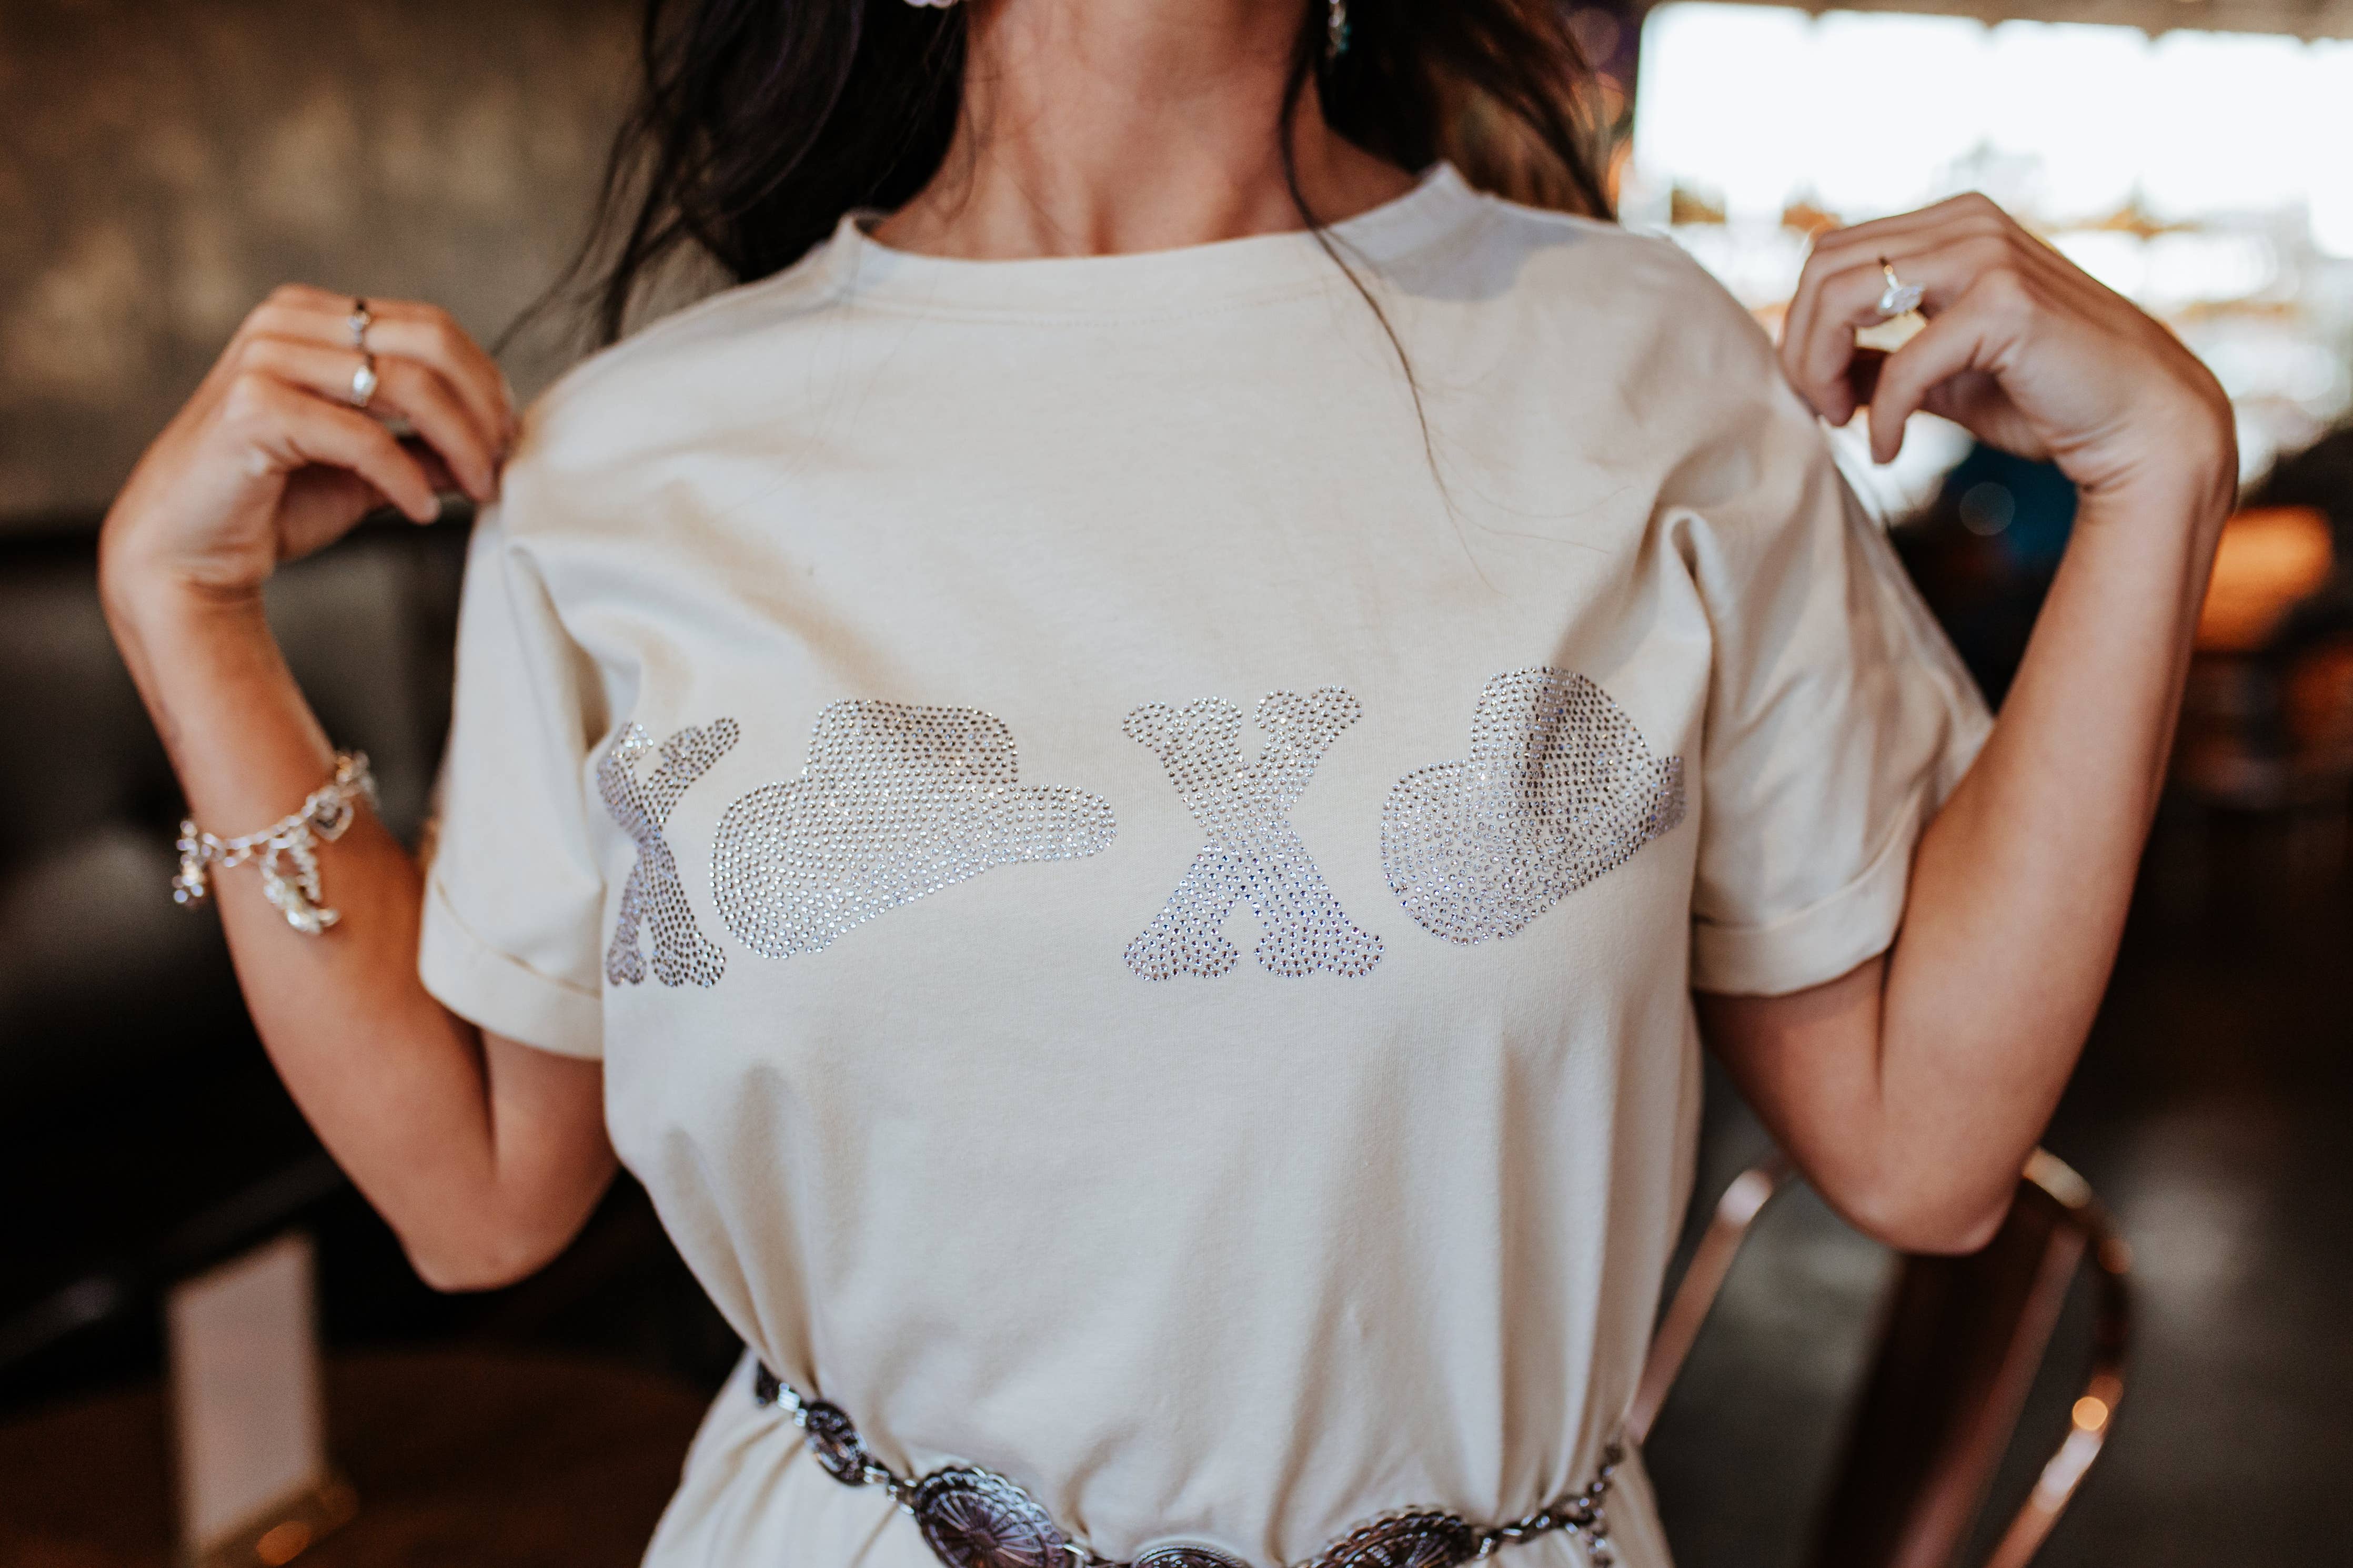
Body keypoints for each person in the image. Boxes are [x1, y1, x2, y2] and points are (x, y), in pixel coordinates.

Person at [95, 2, 2235, 1565]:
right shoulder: (639, 455)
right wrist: (187, 616)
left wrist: (2151, 478)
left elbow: (1927, 1143)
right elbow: (480, 1188)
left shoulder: (1642, 372)